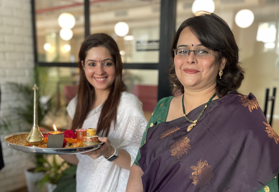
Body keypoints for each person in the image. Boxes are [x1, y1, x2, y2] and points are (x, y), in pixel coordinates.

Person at [126, 12, 279, 192]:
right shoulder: (163, 107)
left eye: (202, 51)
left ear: (222, 61)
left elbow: (266, 180)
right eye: (182, 50)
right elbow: (139, 165)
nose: (190, 58)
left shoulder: (243, 117)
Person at [60, 33, 147, 192]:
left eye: (107, 63)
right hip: (85, 185)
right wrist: (54, 146)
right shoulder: (75, 106)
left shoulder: (128, 104)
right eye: (92, 64)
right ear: (83, 66)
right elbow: (79, 158)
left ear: (117, 65)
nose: (99, 71)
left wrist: (108, 151)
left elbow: (140, 162)